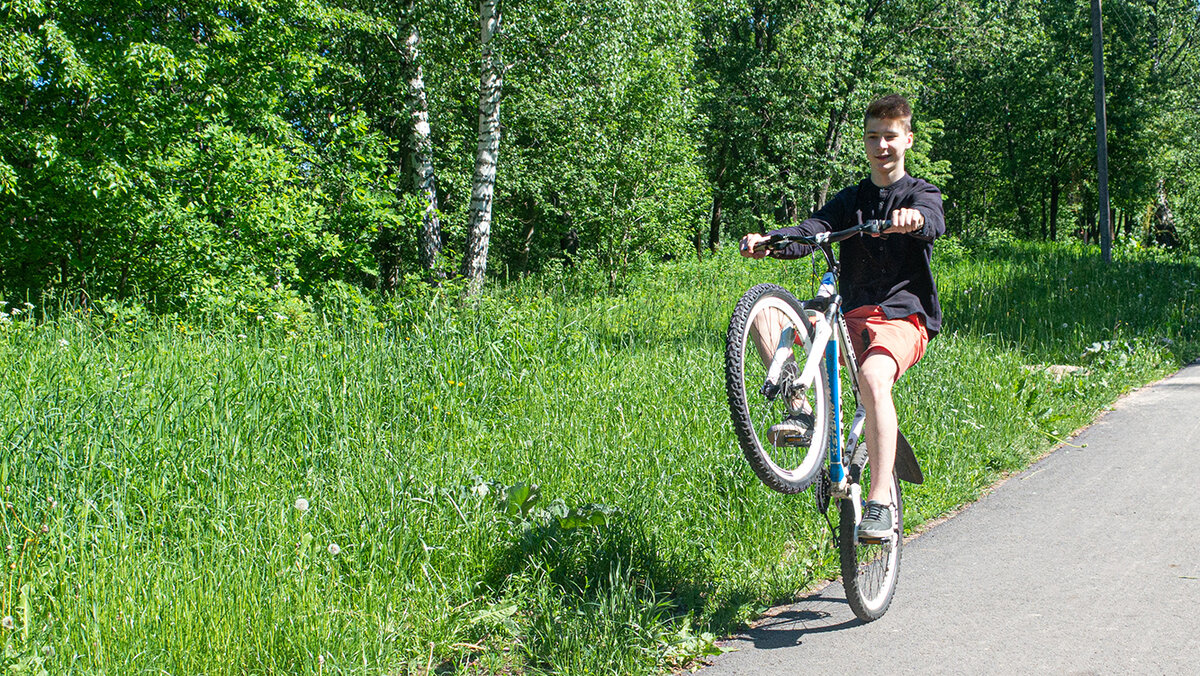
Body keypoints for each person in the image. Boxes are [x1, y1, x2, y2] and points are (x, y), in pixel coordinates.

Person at [739, 94, 944, 539]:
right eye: (873, 136)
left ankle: (880, 502)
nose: (881, 145)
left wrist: (913, 220)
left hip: (902, 317)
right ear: (864, 141)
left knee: (873, 378)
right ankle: (800, 411)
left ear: (907, 140)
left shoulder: (921, 193)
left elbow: (933, 220)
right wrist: (771, 240)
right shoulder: (850, 200)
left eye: (890, 136)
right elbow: (812, 231)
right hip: (849, 317)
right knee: (767, 318)